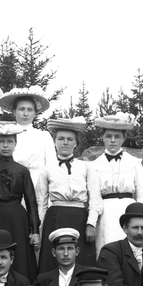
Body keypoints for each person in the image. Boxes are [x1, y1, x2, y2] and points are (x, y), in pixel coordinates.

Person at [0, 122, 40, 279]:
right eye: (1, 141)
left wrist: (35, 231)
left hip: (18, 220)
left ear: (15, 144)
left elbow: (31, 202)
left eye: (10, 141)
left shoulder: (23, 171)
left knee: (20, 259)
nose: (5, 145)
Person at [38, 117, 99, 273]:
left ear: (76, 143)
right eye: (61, 139)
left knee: (81, 259)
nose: (65, 143)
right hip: (55, 218)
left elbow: (95, 199)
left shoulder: (86, 167)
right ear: (54, 142)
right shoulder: (47, 169)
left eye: (70, 139)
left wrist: (91, 224)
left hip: (79, 217)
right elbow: (41, 203)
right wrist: (39, 230)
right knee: (54, 260)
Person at [88, 113, 143, 253]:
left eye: (117, 136)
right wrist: (91, 223)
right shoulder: (95, 165)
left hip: (129, 212)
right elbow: (94, 198)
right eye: (108, 136)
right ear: (103, 137)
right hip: (106, 215)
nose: (113, 140)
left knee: (131, 251)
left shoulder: (134, 163)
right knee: (108, 249)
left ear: (123, 138)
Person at [0, 85, 54, 197]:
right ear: (14, 112)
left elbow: (52, 166)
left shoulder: (43, 136)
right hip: (11, 183)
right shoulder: (6, 135)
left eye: (30, 110)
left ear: (35, 113)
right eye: (21, 109)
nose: (25, 114)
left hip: (38, 184)